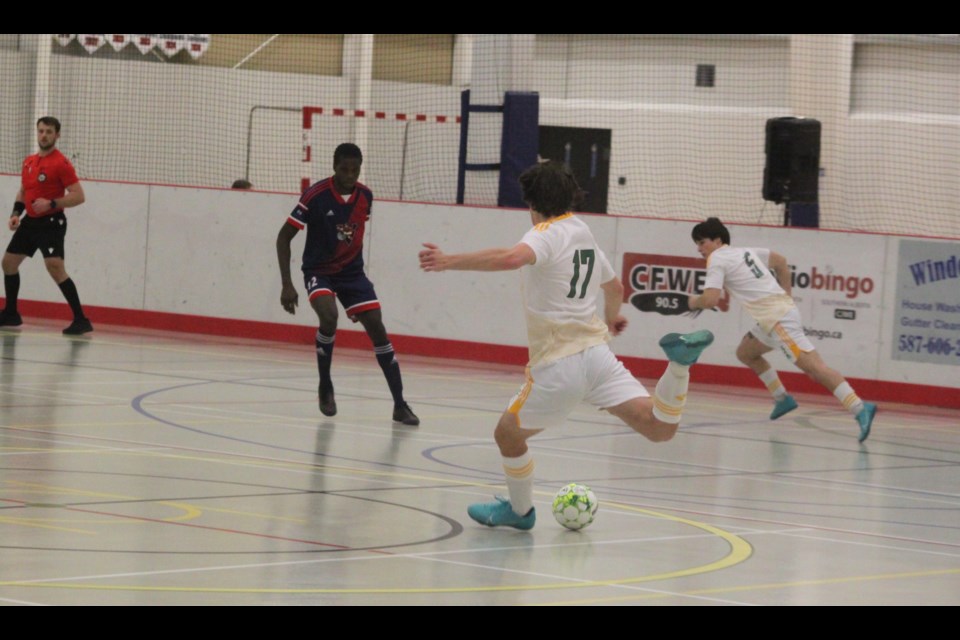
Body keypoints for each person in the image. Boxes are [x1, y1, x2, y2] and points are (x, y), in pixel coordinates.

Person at [418, 160, 713, 530]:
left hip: (560, 365)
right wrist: (609, 320)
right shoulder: (580, 230)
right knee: (659, 427)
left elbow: (511, 258)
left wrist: (449, 261)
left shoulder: (544, 233)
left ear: (532, 203)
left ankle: (520, 511)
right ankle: (680, 366)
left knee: (507, 435)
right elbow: (616, 287)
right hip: (597, 355)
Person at [687, 217, 876, 443]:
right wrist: (787, 296)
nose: (699, 248)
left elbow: (709, 300)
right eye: (697, 244)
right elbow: (781, 261)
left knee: (815, 369)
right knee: (746, 353)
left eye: (702, 242)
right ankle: (782, 398)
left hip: (778, 321)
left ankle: (859, 407)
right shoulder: (745, 252)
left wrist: (692, 302)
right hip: (773, 318)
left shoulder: (716, 259)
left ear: (717, 241)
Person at [276, 143, 419, 425]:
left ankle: (400, 404)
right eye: (344, 169)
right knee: (329, 317)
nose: (350, 175)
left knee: (377, 327)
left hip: (352, 274)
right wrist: (286, 284)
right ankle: (325, 385)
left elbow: (351, 233)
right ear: (334, 167)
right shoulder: (315, 195)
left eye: (355, 170)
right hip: (319, 270)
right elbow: (283, 237)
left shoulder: (366, 196)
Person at [0, 117, 92, 335]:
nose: (44, 135)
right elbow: (23, 191)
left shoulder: (61, 163)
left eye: (49, 132)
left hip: (51, 223)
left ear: (57, 135)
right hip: (30, 222)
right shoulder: (29, 161)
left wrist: (52, 203)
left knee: (55, 268)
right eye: (41, 131)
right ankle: (11, 313)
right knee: (8, 263)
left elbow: (79, 196)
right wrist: (16, 213)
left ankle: (81, 319)